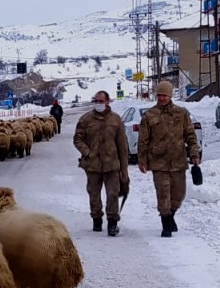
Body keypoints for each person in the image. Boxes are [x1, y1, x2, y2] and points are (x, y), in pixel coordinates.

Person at [136, 80, 201, 238]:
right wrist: (142, 160)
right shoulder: (149, 115)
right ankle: (166, 224)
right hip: (158, 162)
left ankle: (170, 216)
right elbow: (143, 140)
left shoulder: (181, 113)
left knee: (179, 194)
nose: (161, 98)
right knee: (163, 193)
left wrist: (194, 154)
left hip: (178, 160)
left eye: (164, 95)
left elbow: (191, 136)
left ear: (170, 95)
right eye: (159, 95)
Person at [73, 90, 130, 237]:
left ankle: (112, 222)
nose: (98, 104)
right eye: (96, 101)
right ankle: (96, 218)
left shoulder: (116, 120)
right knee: (94, 194)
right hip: (92, 165)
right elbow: (77, 139)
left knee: (113, 194)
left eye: (101, 101)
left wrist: (124, 169)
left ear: (107, 102)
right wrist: (87, 152)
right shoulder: (85, 119)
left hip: (112, 164)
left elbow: (122, 146)